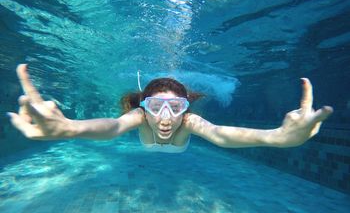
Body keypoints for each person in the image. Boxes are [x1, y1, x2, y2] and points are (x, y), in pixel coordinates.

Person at [8, 64, 333, 153]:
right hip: (151, 145)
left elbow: (220, 134)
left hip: (177, 148)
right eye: (156, 107)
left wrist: (279, 137)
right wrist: (71, 128)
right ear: (144, 107)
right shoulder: (139, 117)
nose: (166, 117)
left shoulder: (187, 122)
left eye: (176, 107)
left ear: (185, 107)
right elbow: (113, 126)